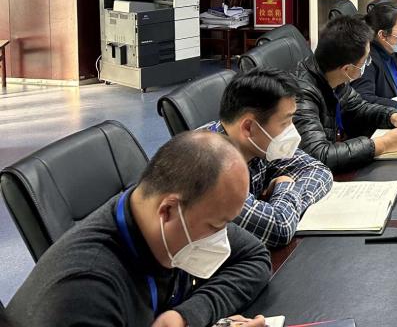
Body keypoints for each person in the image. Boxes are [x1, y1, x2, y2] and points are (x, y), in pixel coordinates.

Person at [6, 131, 271, 327]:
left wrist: (187, 315)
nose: (220, 238)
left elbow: (255, 257)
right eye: (216, 225)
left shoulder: (169, 217)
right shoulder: (84, 297)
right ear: (168, 210)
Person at [204, 67, 333, 248]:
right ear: (248, 127)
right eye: (285, 122)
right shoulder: (211, 170)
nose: (291, 131)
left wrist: (285, 206)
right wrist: (285, 186)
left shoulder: (256, 144)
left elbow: (318, 170)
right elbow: (279, 228)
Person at [292, 14, 397, 172]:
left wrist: (391, 116)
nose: (368, 63)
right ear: (346, 69)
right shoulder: (302, 95)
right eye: (365, 60)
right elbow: (320, 155)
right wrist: (382, 144)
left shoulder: (333, 74)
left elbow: (358, 107)